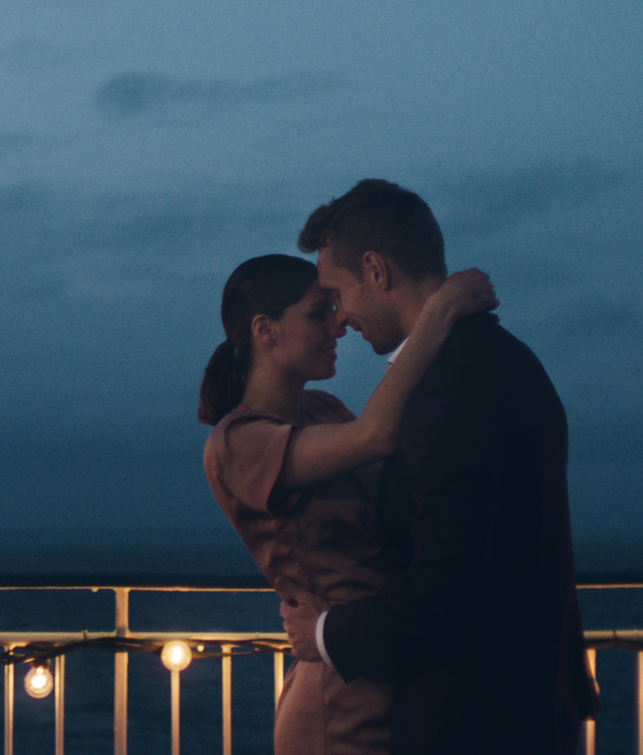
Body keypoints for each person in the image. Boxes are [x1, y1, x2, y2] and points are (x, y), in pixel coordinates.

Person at [278, 179, 599, 755]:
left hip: (475, 720)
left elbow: (446, 588)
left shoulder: (450, 388)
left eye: (337, 293)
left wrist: (324, 633)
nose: (339, 319)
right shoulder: (509, 360)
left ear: (376, 270)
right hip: (530, 708)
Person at [201, 253, 499, 755]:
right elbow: (378, 435)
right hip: (339, 699)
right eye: (319, 313)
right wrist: (437, 314)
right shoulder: (240, 442)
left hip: (389, 670)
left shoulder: (322, 411)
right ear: (265, 330)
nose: (338, 324)